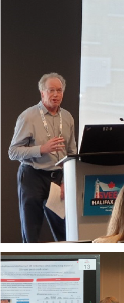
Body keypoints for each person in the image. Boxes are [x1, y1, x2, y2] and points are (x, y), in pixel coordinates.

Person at [8, 72, 77, 243]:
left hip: (58, 178)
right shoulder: (28, 116)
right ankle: (30, 267)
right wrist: (41, 149)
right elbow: (13, 151)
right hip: (33, 176)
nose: (55, 95)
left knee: (66, 231)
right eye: (51, 90)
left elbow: (72, 152)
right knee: (31, 231)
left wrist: (66, 181)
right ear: (42, 92)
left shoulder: (67, 117)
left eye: (59, 90)